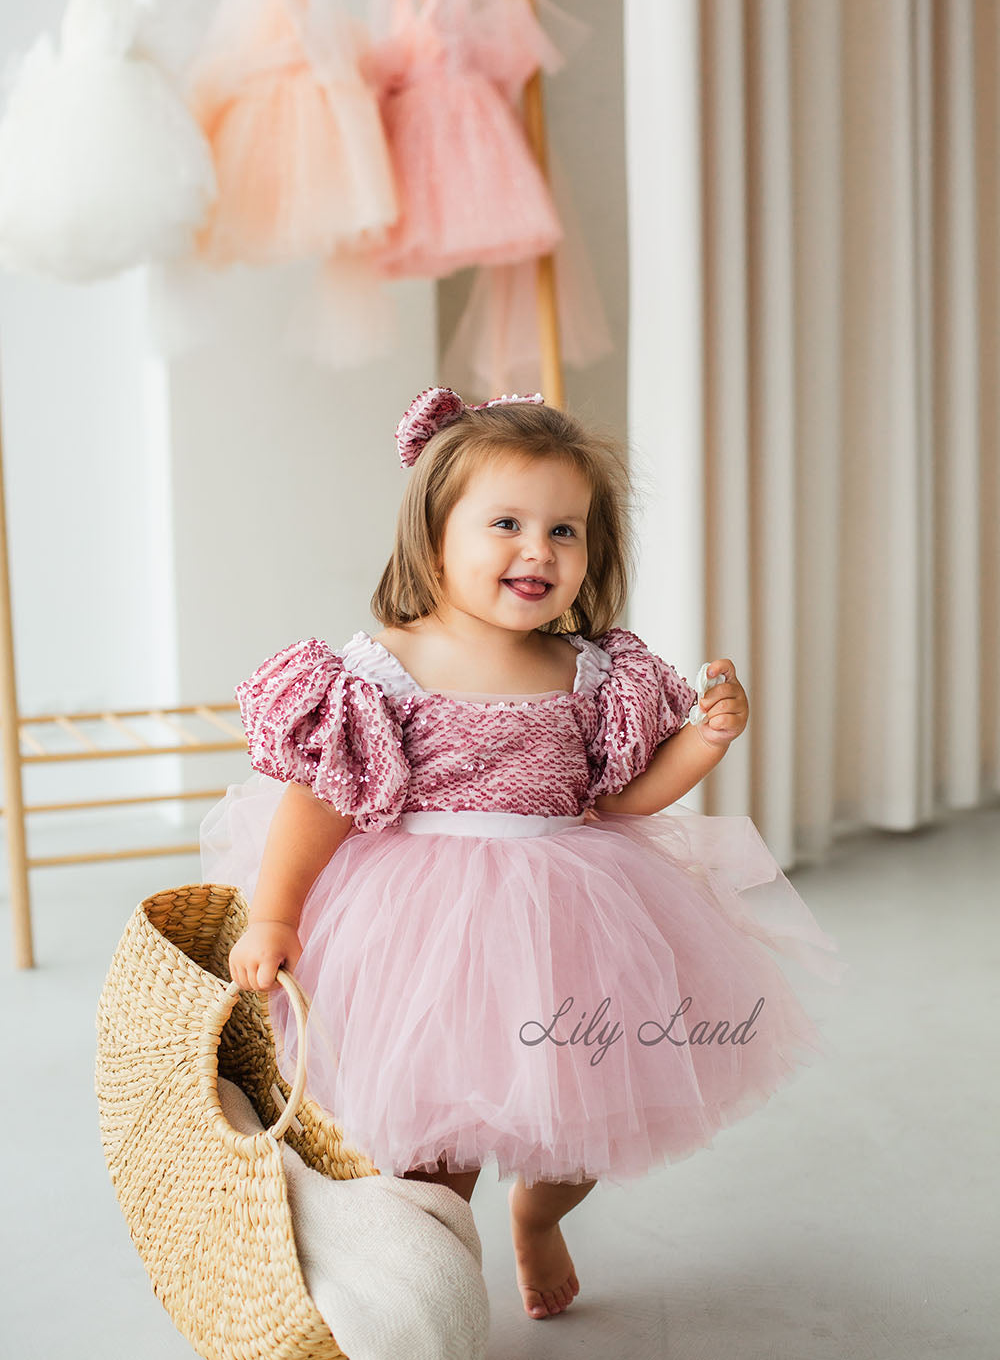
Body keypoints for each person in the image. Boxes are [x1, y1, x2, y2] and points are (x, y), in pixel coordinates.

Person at [201, 384, 844, 1322]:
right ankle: (425, 1288)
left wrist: (702, 741)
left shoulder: (587, 672)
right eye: (506, 523)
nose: (538, 551)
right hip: (423, 928)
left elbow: (617, 798)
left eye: (565, 532)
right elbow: (322, 800)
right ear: (434, 536)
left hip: (567, 916)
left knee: (577, 1127)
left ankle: (540, 1217)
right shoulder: (384, 670)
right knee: (433, 1146)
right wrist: (277, 912)